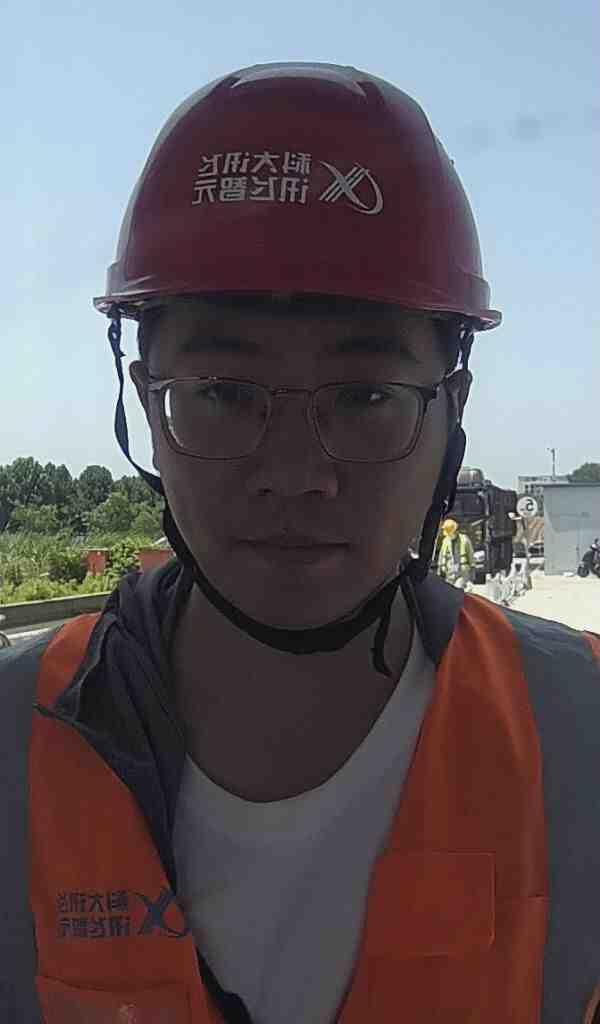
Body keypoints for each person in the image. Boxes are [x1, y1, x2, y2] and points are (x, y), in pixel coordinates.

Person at [1, 63, 599, 1024]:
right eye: (222, 394)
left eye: (365, 396)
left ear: (452, 411)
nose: (295, 472)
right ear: (146, 406)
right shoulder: (13, 741)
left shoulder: (582, 731)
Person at [436, 517, 475, 590]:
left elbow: (471, 558)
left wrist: (471, 577)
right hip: (449, 574)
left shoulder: (464, 540)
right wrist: (440, 571)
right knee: (449, 592)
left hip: (462, 574)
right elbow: (441, 557)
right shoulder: (445, 541)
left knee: (457, 589)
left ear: (455, 531)